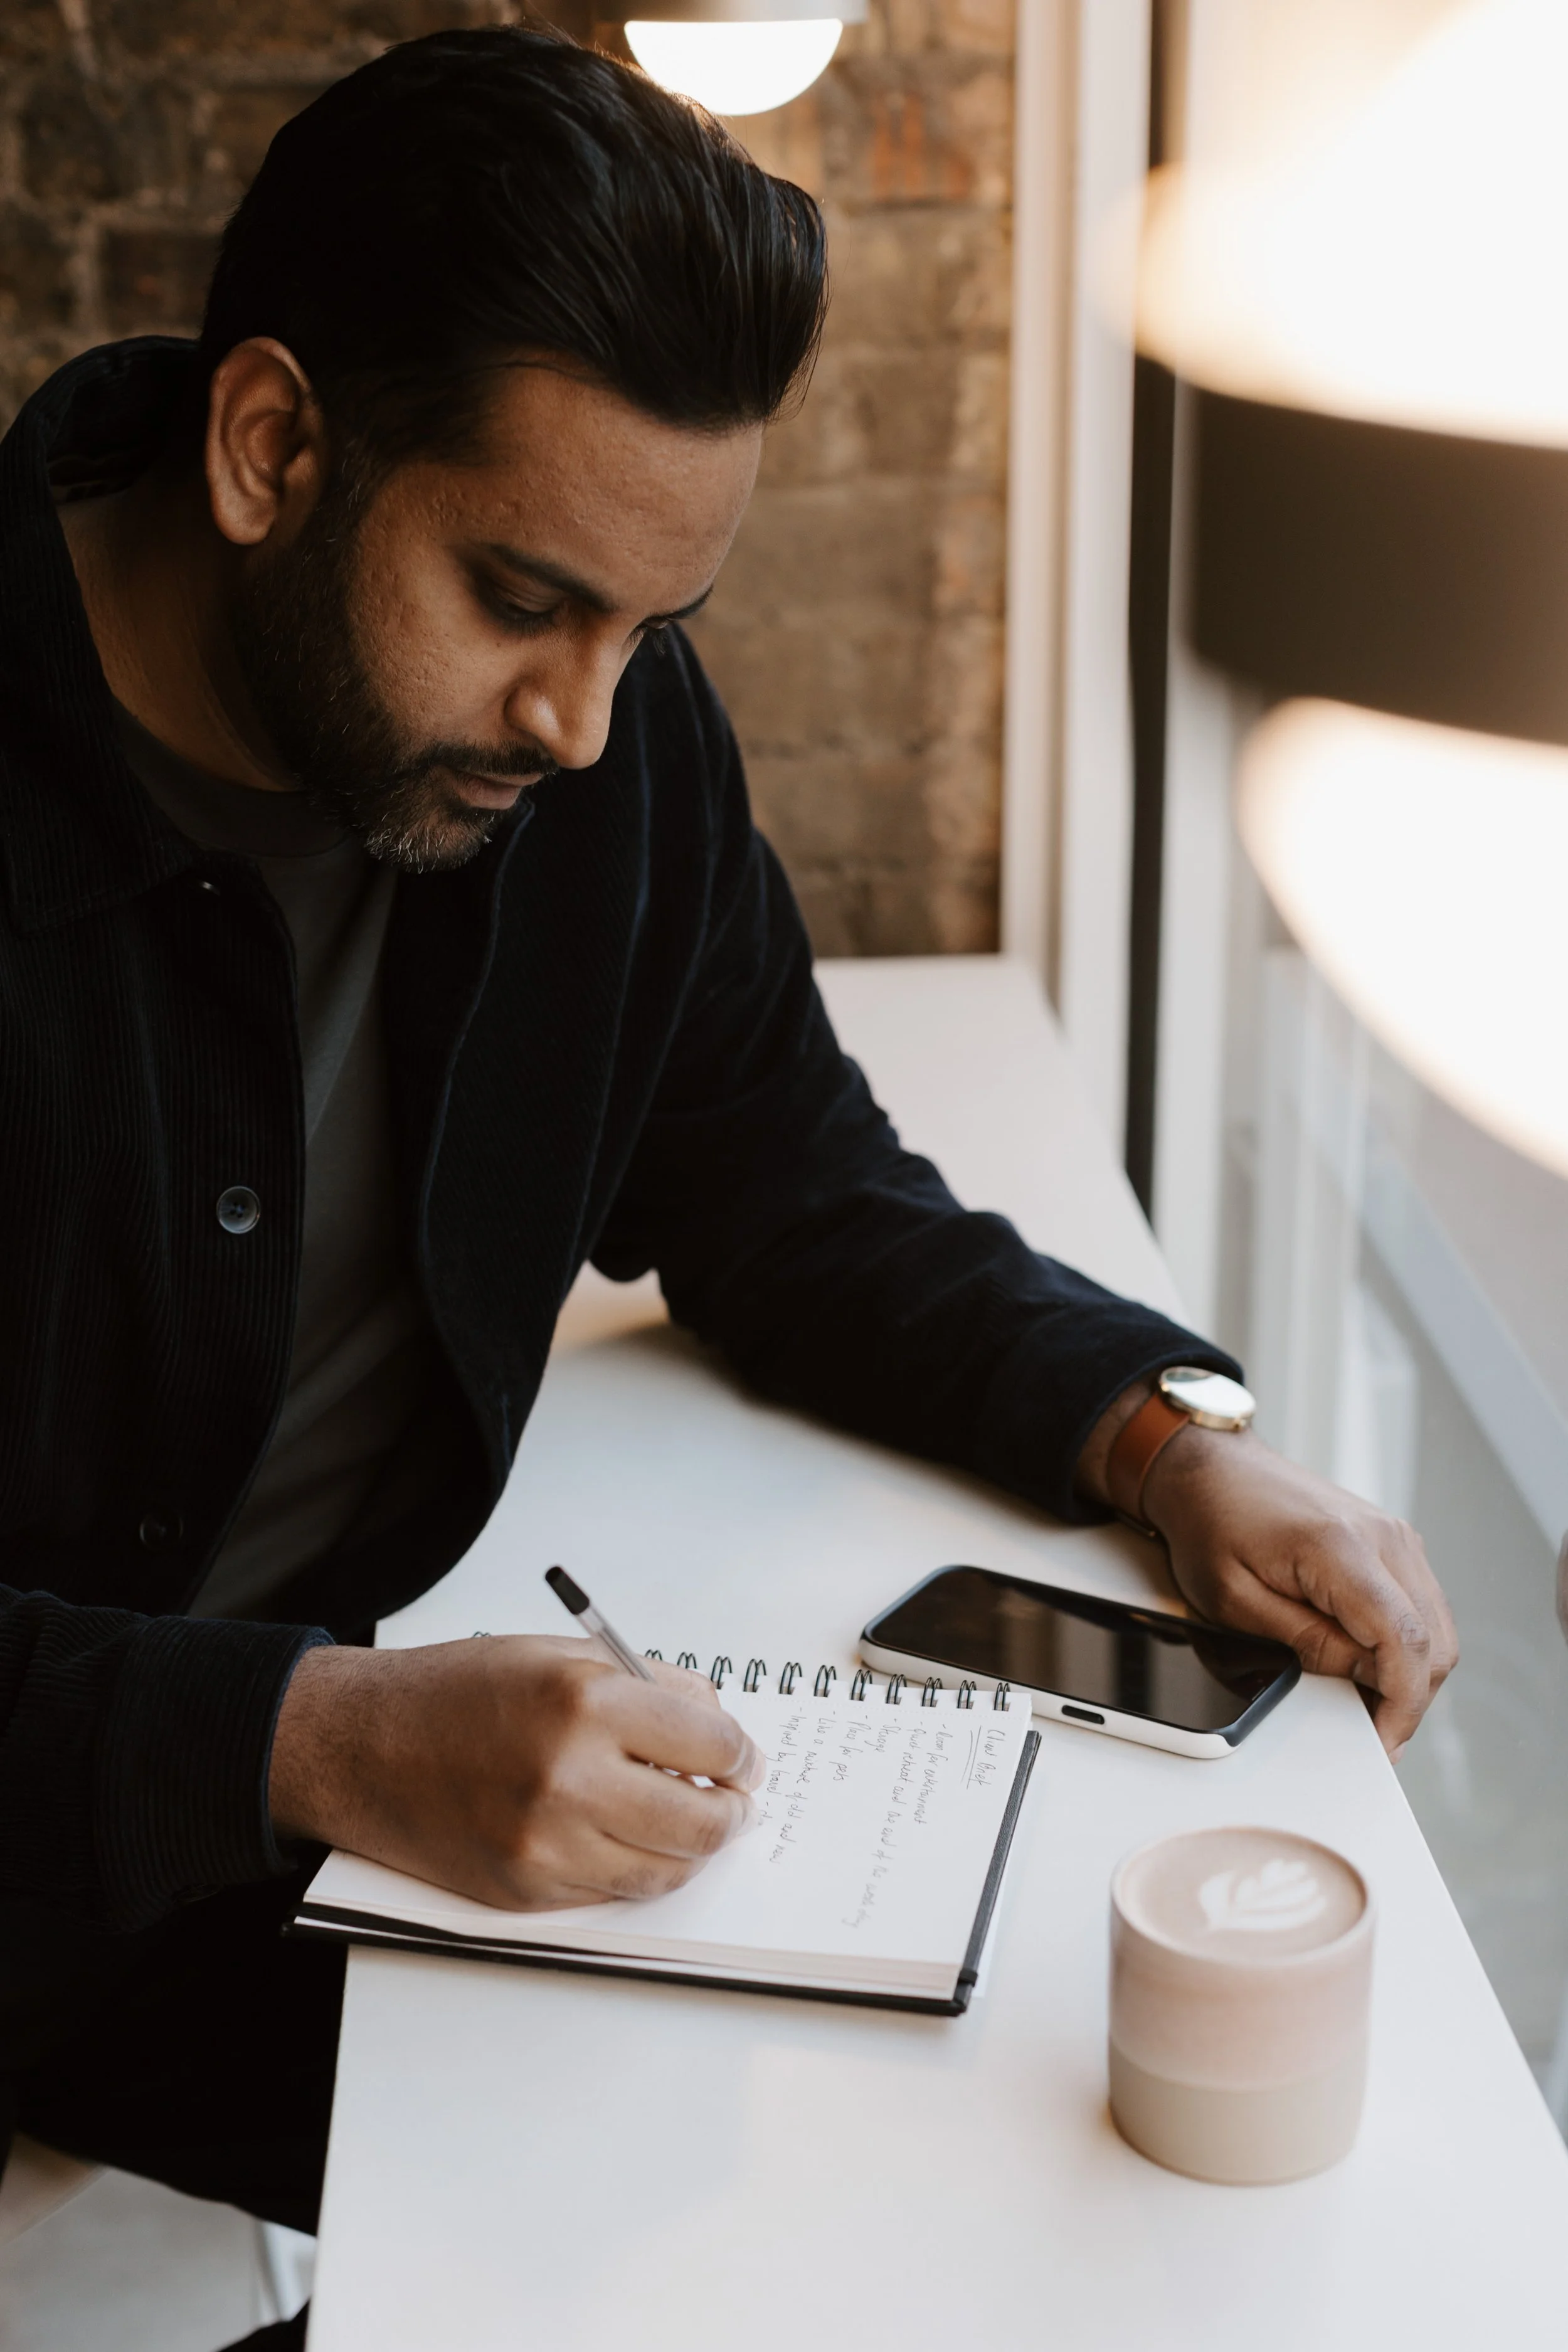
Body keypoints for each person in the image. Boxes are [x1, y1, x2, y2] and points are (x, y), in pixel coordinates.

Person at [0, 26, 1455, 2346]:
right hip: (86, 1854)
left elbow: (785, 1189)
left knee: (879, 2217)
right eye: (520, 597)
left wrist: (1166, 1445)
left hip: (293, 1869)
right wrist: (306, 1734)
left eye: (645, 630)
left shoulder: (592, 760)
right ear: (273, 445)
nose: (583, 720)